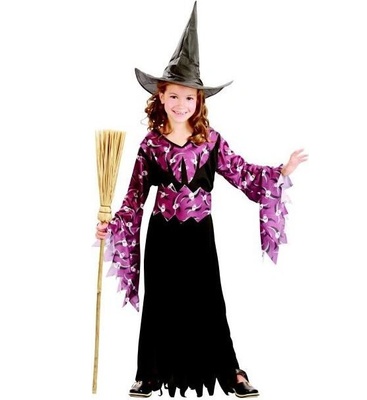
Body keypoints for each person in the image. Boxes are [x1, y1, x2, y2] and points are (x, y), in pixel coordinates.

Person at [95, 2, 308, 398]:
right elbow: (134, 197)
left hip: (199, 234)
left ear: (199, 102)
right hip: (162, 234)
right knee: (160, 302)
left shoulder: (210, 142)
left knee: (209, 300)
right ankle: (149, 373)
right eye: (174, 96)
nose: (181, 105)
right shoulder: (151, 146)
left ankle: (230, 371)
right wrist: (113, 224)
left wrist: (280, 171)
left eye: (189, 98)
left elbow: (242, 173)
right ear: (161, 96)